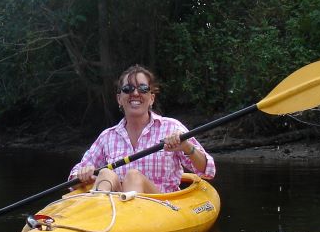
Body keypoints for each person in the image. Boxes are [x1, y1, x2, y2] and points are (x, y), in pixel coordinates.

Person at [69, 64, 215, 194]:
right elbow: (74, 177)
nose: (135, 93)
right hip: (118, 208)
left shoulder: (172, 127)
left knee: (134, 176)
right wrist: (82, 174)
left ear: (151, 98)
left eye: (143, 89)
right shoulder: (107, 137)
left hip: (162, 208)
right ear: (119, 99)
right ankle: (98, 215)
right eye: (128, 89)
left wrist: (186, 147)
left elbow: (208, 171)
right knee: (106, 174)